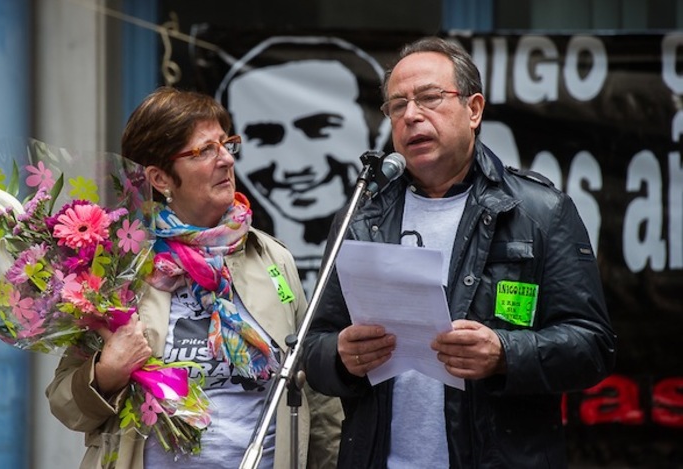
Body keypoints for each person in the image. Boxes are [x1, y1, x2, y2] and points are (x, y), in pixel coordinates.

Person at [303, 36, 617, 468]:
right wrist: (341, 356)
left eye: (430, 98)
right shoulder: (361, 215)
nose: (412, 115)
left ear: (474, 110)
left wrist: (505, 353)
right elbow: (314, 346)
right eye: (398, 106)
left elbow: (593, 347)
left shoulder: (540, 211)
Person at [45, 87, 342, 469]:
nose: (226, 161)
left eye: (226, 144)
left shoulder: (271, 257)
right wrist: (106, 374)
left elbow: (312, 390)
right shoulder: (121, 267)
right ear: (160, 177)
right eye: (204, 151)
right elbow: (65, 405)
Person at [215, 37, 391, 294]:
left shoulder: (403, 243)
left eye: (319, 128)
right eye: (265, 137)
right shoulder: (255, 262)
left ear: (374, 133)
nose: (293, 169)